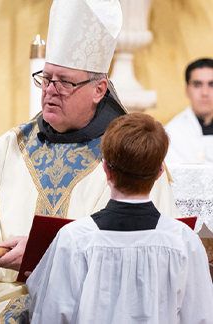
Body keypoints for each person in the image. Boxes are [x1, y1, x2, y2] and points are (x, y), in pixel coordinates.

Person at [0, 0, 180, 323]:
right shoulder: (9, 148)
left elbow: (147, 251)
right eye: (46, 78)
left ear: (99, 89)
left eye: (65, 82)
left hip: (95, 305)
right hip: (3, 297)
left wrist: (44, 256)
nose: (50, 91)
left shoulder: (129, 157)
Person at [27, 113, 213, 324]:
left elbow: (48, 316)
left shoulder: (74, 239)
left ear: (106, 170)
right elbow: (202, 317)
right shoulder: (184, 241)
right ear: (160, 172)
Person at [165, 58, 213, 164]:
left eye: (211, 84)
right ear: (187, 90)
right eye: (197, 85)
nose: (205, 93)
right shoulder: (172, 134)